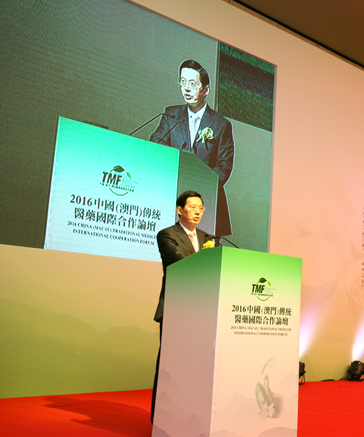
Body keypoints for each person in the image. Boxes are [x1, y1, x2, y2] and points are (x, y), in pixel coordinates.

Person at [150, 60, 234, 236]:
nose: (186, 89)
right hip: (172, 202)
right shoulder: (171, 115)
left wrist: (198, 187)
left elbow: (224, 167)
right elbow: (157, 143)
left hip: (206, 208)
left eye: (193, 84)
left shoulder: (221, 125)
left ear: (206, 90)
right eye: (183, 82)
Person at [151, 190, 212, 422]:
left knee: (196, 367)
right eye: (192, 207)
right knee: (170, 366)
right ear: (180, 210)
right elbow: (180, 261)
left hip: (202, 311)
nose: (198, 211)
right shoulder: (167, 235)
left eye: (201, 208)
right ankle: (162, 418)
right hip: (176, 309)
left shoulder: (208, 238)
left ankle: (191, 417)